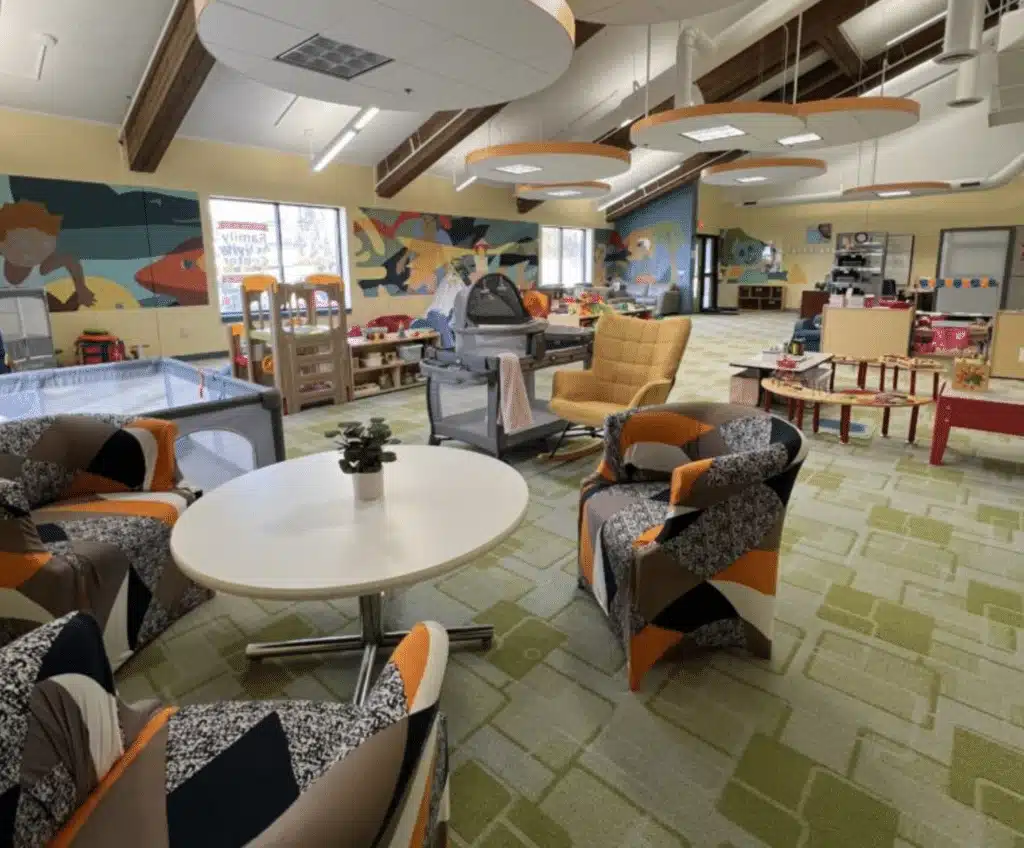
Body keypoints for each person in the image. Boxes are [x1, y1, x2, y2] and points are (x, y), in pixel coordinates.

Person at [0, 201, 95, 311]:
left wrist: (81, 288)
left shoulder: (42, 266)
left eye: (39, 245)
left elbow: (70, 259)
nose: (28, 252)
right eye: (21, 243)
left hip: (32, 313)